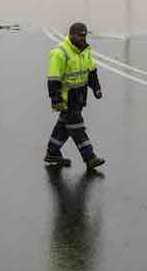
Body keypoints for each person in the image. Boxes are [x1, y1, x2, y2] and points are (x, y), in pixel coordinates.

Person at [45, 22, 106, 172]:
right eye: (79, 35)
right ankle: (90, 157)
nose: (82, 38)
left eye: (84, 35)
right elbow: (53, 78)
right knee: (77, 127)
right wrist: (56, 99)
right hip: (66, 98)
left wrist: (96, 88)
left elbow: (91, 71)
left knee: (64, 126)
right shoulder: (60, 53)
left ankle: (52, 153)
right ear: (71, 34)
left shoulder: (85, 51)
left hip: (79, 96)